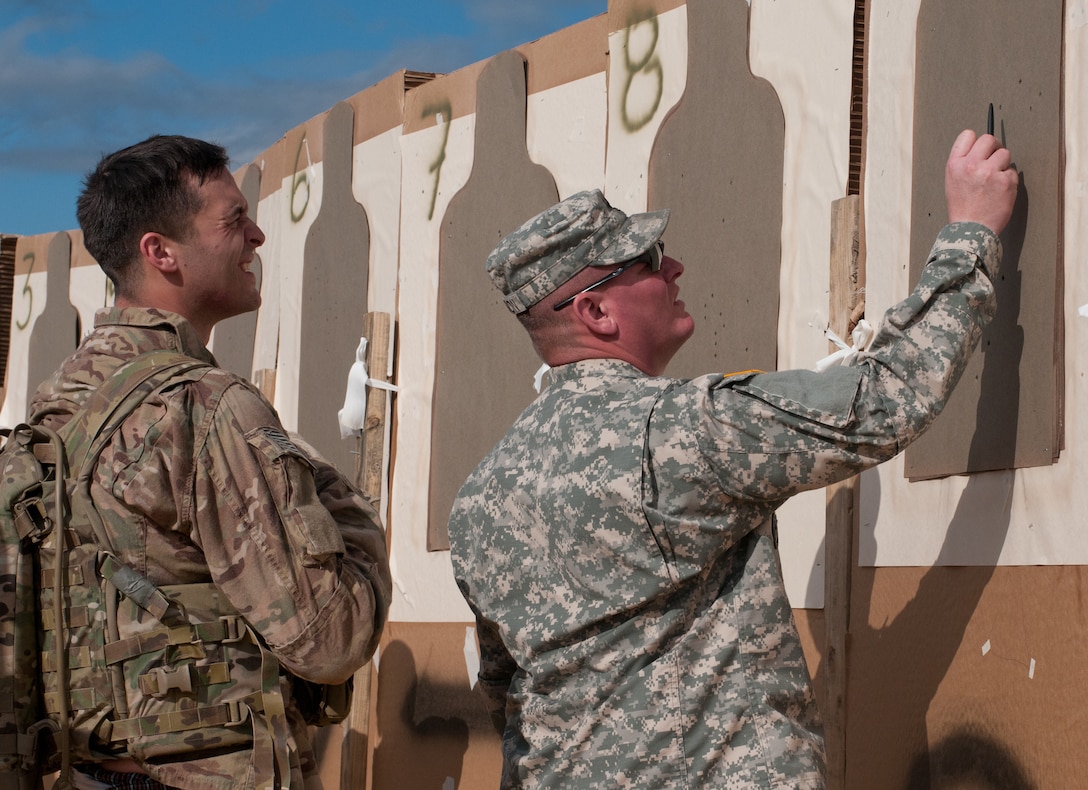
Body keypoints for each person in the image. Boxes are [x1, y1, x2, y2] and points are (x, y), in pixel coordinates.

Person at [448, 129, 1018, 789]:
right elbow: (887, 397)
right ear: (597, 310)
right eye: (647, 258)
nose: (673, 269)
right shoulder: (678, 432)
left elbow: (506, 685)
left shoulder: (479, 500)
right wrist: (970, 233)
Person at [29, 135, 392, 790]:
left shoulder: (57, 403)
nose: (256, 236)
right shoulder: (206, 407)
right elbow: (329, 638)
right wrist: (351, 516)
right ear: (160, 252)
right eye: (233, 221)